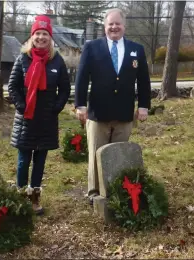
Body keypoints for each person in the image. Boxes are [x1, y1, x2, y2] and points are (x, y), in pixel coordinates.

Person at [75, 8, 151, 205]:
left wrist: (143, 106)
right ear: (105, 26)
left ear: (124, 26)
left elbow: (143, 81)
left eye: (118, 24)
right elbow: (81, 78)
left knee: (119, 155)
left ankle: (116, 189)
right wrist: (80, 105)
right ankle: (94, 193)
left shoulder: (137, 49)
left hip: (124, 113)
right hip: (98, 112)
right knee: (96, 153)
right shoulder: (91, 47)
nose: (114, 27)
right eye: (110, 24)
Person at [8, 15, 71, 215]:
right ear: (32, 36)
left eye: (45, 34)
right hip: (26, 119)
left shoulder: (57, 61)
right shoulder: (22, 59)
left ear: (50, 37)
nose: (41, 37)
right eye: (37, 33)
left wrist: (56, 107)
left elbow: (65, 88)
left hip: (46, 120)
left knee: (40, 160)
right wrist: (20, 105)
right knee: (23, 160)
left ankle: (34, 198)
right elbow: (13, 86)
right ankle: (20, 197)